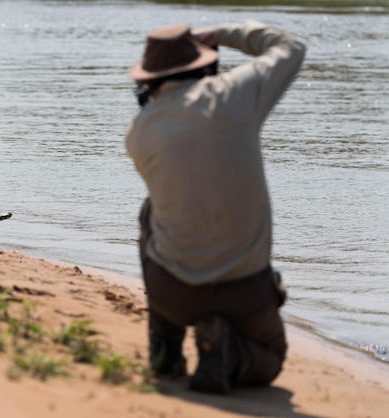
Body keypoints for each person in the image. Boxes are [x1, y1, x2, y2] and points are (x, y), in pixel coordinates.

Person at [125, 20, 306, 394]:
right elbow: (291, 46)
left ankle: (165, 349)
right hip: (245, 293)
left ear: (150, 77)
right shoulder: (234, 94)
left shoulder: (138, 133)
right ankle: (227, 353)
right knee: (271, 356)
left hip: (174, 293)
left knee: (150, 210)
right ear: (204, 64)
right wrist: (223, 33)